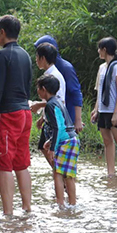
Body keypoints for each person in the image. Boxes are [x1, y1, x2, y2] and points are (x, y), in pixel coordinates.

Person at [0, 15, 33, 215]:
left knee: (4, 164)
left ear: (2, 32)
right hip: (25, 112)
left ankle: (8, 213)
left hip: (8, 114)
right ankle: (26, 207)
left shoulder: (1, 56)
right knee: (21, 163)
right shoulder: (26, 55)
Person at [36, 74, 80, 209]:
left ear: (43, 89)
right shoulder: (58, 101)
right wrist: (50, 141)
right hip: (72, 139)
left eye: (38, 88)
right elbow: (62, 124)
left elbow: (58, 127)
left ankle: (60, 204)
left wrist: (53, 147)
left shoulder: (50, 105)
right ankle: (72, 204)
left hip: (65, 141)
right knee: (69, 175)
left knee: (58, 174)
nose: (37, 91)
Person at [90, 37, 117, 177]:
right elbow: (99, 90)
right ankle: (110, 172)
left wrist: (115, 113)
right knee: (107, 141)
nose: (98, 51)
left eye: (99, 48)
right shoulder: (102, 68)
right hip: (103, 110)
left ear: (105, 50)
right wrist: (96, 109)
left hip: (115, 110)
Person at [33, 35, 84, 132]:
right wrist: (43, 118)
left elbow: (75, 93)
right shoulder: (49, 71)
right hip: (53, 116)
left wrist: (78, 119)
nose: (36, 59)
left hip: (65, 115)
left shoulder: (65, 68)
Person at [31, 42, 66, 154]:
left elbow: (58, 101)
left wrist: (38, 105)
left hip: (55, 120)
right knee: (43, 147)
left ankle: (58, 171)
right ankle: (57, 170)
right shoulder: (50, 74)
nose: (36, 60)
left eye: (37, 57)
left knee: (52, 150)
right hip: (49, 118)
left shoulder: (54, 76)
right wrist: (42, 118)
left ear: (43, 58)